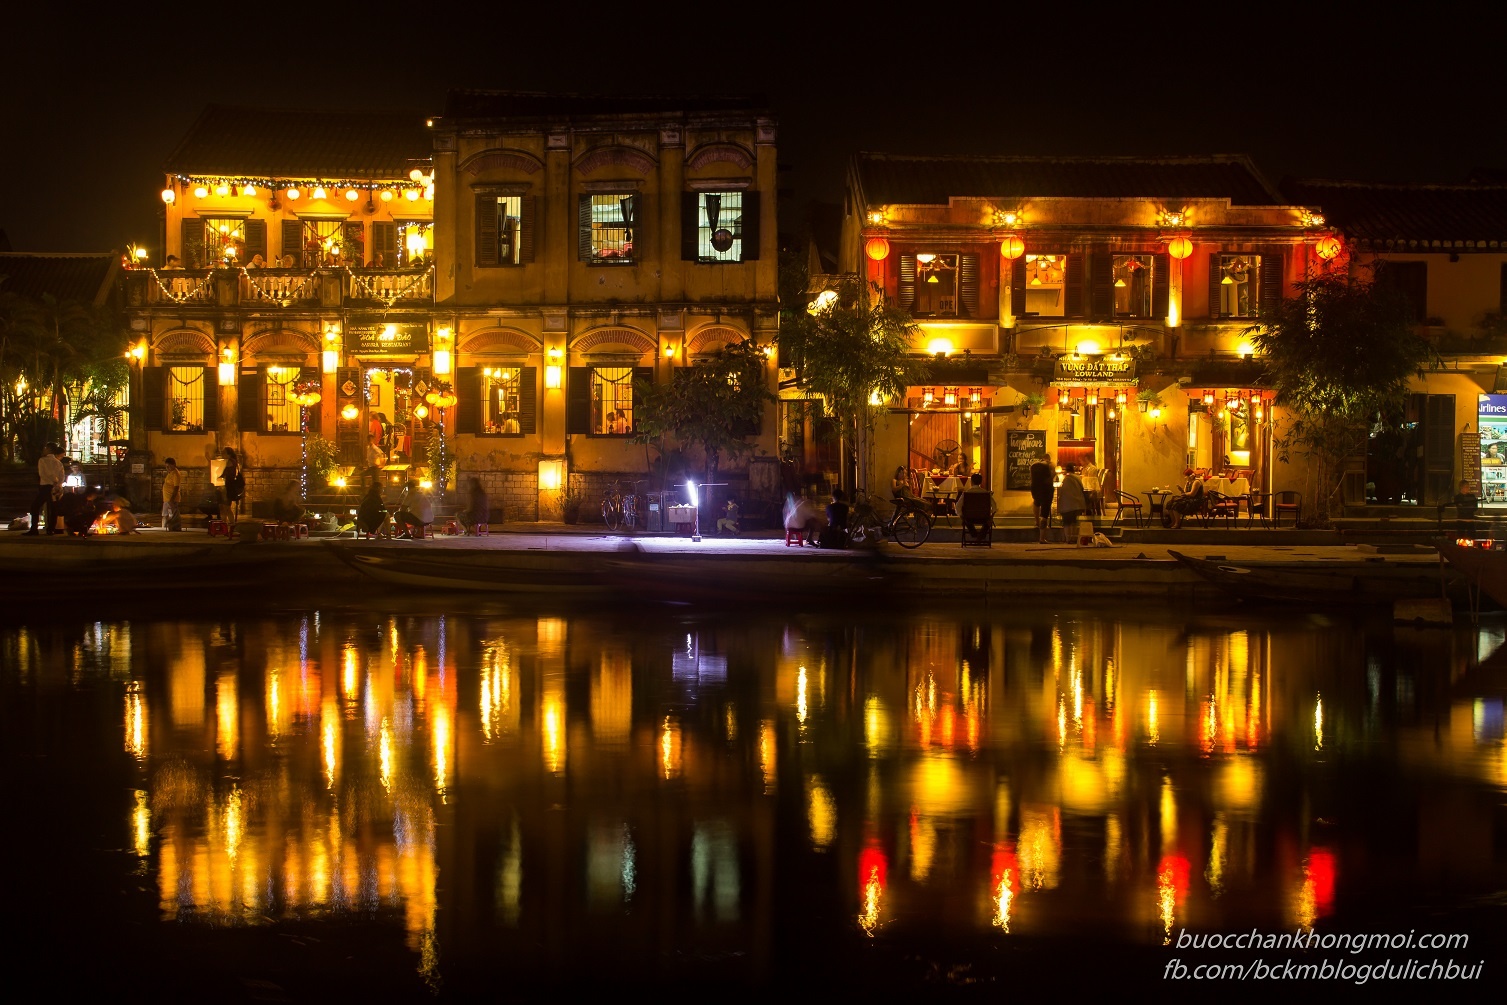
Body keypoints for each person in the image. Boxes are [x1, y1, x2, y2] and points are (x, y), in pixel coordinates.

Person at [25, 442, 65, 536]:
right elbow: (62, 476)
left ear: (49, 449)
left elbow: (42, 474)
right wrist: (57, 483)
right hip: (55, 487)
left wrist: (53, 480)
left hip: (46, 486)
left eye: (46, 448)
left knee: (35, 506)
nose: (44, 450)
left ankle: (34, 529)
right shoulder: (58, 462)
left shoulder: (42, 460)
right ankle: (51, 529)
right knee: (53, 508)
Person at [1057, 464, 1088, 542]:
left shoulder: (1066, 479)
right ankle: (1073, 537)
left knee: (1067, 522)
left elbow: (1062, 491)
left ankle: (1068, 538)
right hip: (1077, 503)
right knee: (1074, 522)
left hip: (1067, 504)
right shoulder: (1078, 478)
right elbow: (1082, 489)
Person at [1029, 455, 1055, 544]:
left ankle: (1037, 522)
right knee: (1044, 514)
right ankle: (1042, 538)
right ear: (1049, 459)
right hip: (1046, 490)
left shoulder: (1034, 465)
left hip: (1035, 489)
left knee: (1036, 502)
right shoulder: (1050, 465)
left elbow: (1031, 478)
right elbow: (1052, 476)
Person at [220, 448, 244, 524]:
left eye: (224, 453)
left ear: (229, 454)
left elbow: (227, 474)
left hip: (230, 487)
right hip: (231, 486)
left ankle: (225, 523)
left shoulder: (230, 462)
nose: (222, 454)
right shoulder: (234, 461)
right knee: (226, 507)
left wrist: (221, 477)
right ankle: (230, 523)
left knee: (226, 507)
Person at [161, 457, 183, 531]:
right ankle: (165, 528)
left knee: (173, 514)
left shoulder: (176, 474)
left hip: (172, 499)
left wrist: (172, 499)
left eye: (169, 466)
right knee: (165, 515)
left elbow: (176, 487)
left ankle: (175, 528)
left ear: (174, 465)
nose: (167, 468)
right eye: (166, 466)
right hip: (167, 498)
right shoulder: (170, 473)